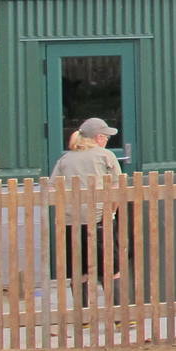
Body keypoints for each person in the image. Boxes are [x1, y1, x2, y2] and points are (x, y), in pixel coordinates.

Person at [51, 117, 123, 308]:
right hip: (99, 219)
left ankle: (82, 314)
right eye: (106, 136)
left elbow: (53, 188)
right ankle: (117, 314)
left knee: (79, 269)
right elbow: (117, 187)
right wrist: (111, 212)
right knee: (111, 268)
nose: (107, 140)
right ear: (98, 137)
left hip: (71, 222)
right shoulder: (105, 156)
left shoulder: (65, 159)